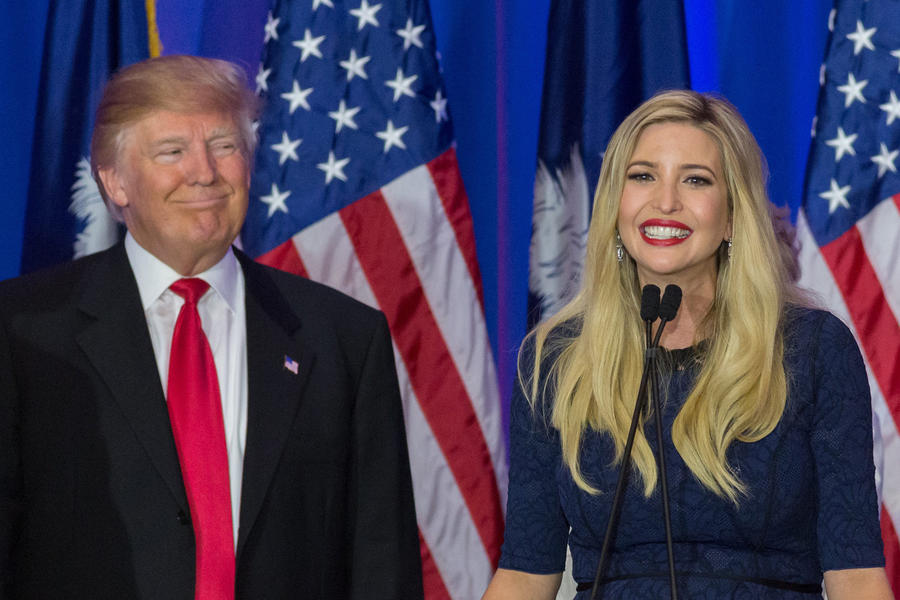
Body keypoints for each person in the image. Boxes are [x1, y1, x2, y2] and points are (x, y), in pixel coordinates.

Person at [0, 55, 424, 599]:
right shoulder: (23, 332)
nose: (205, 172)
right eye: (172, 151)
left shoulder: (343, 338)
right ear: (115, 181)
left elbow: (381, 562)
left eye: (224, 146)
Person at [483, 91, 891, 599]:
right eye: (643, 176)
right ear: (615, 205)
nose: (666, 201)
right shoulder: (557, 359)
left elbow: (855, 573)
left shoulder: (811, 350)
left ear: (733, 216)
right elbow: (525, 573)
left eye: (696, 179)